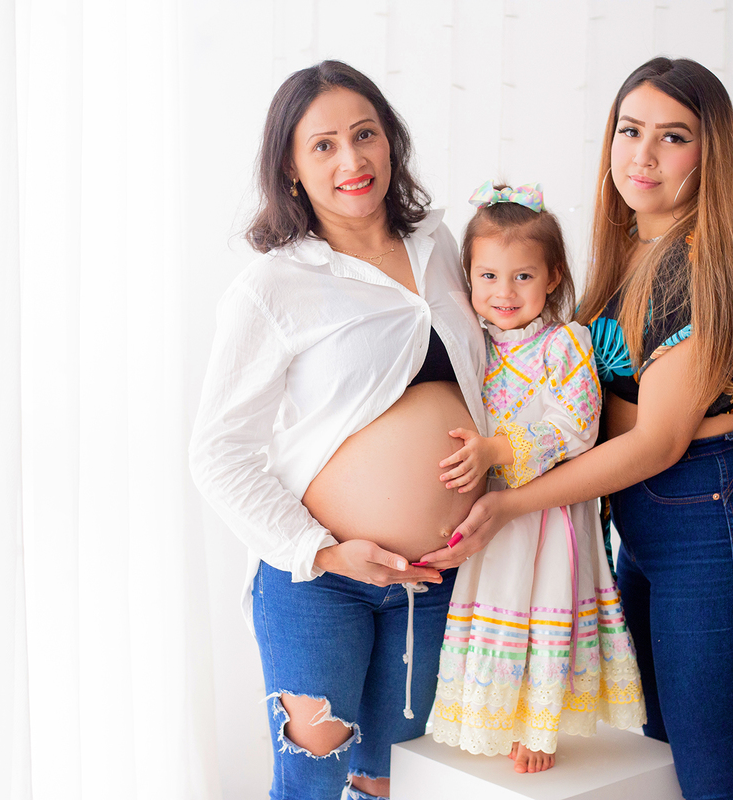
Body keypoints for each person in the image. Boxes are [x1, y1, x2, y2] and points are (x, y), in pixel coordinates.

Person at [420, 58, 733, 800]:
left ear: (710, 152)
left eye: (673, 137)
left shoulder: (704, 260)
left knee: (715, 781)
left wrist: (507, 502)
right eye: (630, 130)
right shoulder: (637, 251)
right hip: (656, 524)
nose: (643, 154)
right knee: (665, 770)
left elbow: (658, 441)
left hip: (716, 516)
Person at [189, 61, 488, 800]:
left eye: (365, 135)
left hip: (437, 579)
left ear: (392, 144)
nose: (351, 160)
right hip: (319, 585)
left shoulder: (446, 250)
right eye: (322, 146)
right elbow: (217, 452)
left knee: (398, 785)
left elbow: (500, 382)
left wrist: (499, 499)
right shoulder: (274, 286)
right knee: (314, 786)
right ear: (290, 169)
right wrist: (321, 552)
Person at [427, 181, 646, 773]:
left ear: (552, 277)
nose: (504, 293)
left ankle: (539, 726)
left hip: (546, 509)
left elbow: (576, 425)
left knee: (542, 604)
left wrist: (496, 449)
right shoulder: (471, 343)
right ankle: (488, 714)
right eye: (488, 277)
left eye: (522, 276)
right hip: (492, 507)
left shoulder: (563, 343)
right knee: (495, 604)